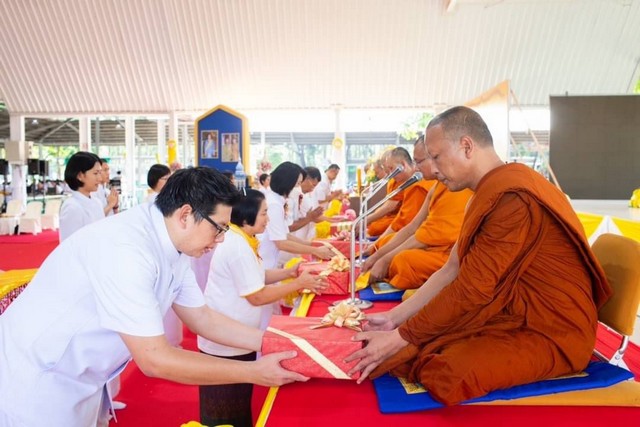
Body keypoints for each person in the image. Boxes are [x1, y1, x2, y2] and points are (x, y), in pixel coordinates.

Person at [0, 167, 308, 427]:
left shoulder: (175, 240)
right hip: (38, 380)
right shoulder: (126, 249)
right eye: (219, 228)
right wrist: (254, 371)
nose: (221, 239)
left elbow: (202, 318)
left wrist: (275, 343)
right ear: (186, 214)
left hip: (83, 377)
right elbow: (154, 359)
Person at [346, 106, 612, 405]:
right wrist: (394, 321)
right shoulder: (485, 192)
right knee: (421, 341)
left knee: (448, 371)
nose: (430, 169)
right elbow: (452, 269)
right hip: (512, 313)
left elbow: (472, 288)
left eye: (435, 157)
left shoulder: (513, 196)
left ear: (467, 147)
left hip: (554, 331)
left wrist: (403, 337)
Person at [198, 189, 327, 427]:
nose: (268, 219)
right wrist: (297, 283)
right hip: (226, 339)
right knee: (224, 410)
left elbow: (256, 277)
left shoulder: (243, 239)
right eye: (264, 213)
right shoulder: (236, 246)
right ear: (246, 217)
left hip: (237, 335)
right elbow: (256, 296)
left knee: (237, 402)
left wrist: (288, 273)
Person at [362, 137, 472, 289]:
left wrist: (385, 259)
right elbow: (413, 226)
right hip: (430, 246)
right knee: (387, 244)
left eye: (419, 162)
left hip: (450, 254)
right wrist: (377, 256)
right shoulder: (436, 186)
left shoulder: (456, 185)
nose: (416, 168)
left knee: (402, 260)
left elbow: (428, 234)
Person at [258, 161, 334, 269]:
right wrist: (315, 250)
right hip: (267, 260)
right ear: (288, 182)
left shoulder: (279, 201)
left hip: (272, 260)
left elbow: (285, 234)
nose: (299, 188)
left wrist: (312, 245)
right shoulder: (274, 204)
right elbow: (281, 242)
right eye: (298, 184)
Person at [368, 146, 432, 242]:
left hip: (424, 232)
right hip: (409, 226)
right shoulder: (404, 182)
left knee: (385, 241)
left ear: (403, 164)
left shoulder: (418, 185)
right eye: (387, 171)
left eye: (391, 169)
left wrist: (378, 245)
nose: (390, 174)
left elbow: (408, 222)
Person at [59, 151, 106, 242]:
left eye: (100, 173)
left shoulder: (97, 202)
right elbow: (69, 245)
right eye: (95, 173)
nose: (100, 179)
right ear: (80, 176)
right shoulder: (72, 207)